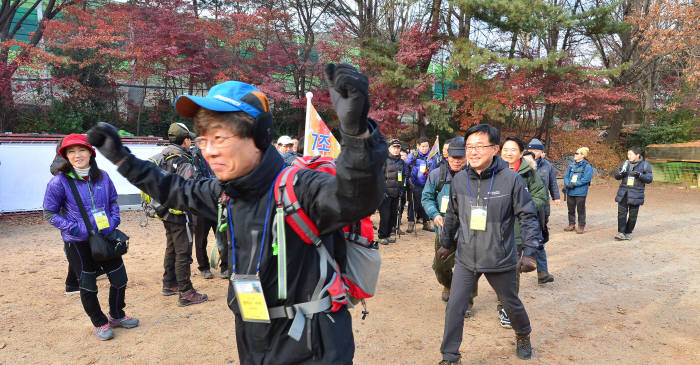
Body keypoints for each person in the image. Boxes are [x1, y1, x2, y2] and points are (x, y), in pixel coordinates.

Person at [87, 62, 386, 364]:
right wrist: (122, 158)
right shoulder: (225, 193)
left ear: (260, 136)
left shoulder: (301, 189)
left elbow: (356, 195)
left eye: (220, 138)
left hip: (312, 346)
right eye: (203, 140)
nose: (209, 150)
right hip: (253, 335)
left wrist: (357, 134)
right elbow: (173, 188)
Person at [437, 124, 540, 363]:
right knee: (454, 307)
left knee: (510, 303)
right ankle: (450, 356)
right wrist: (446, 243)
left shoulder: (511, 180)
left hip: (500, 257)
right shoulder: (460, 179)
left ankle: (523, 334)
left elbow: (528, 215)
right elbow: (452, 214)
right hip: (466, 258)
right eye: (469, 147)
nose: (472, 152)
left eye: (479, 147)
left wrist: (530, 251)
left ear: (495, 149)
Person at [43, 134, 139, 341]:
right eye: (71, 152)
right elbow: (50, 213)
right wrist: (75, 229)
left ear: (90, 153)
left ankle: (116, 314)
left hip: (105, 235)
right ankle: (99, 321)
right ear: (65, 156)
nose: (77, 155)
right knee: (87, 284)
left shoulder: (103, 176)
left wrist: (113, 221)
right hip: (77, 242)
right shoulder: (59, 182)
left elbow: (113, 201)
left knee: (120, 278)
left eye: (81, 150)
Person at [422, 137, 478, 314]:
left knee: (469, 267)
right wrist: (435, 214)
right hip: (444, 230)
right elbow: (427, 197)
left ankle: (466, 301)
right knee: (440, 266)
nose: (457, 160)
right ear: (447, 156)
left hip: (469, 232)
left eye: (461, 157)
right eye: (453, 157)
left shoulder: (476, 176)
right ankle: (449, 285)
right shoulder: (436, 175)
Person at [499, 136, 547, 329]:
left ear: (521, 153)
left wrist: (520, 207)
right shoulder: (495, 171)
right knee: (496, 268)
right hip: (495, 230)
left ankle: (506, 307)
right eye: (505, 149)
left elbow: (541, 198)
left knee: (511, 270)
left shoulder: (529, 174)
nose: (508, 153)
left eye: (513, 149)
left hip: (518, 230)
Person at [158, 123, 208, 306]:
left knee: (171, 247)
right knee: (183, 252)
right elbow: (189, 187)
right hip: (180, 213)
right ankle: (186, 292)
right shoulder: (183, 159)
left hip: (164, 211)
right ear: (186, 140)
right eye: (190, 139)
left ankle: (169, 283)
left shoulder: (164, 156)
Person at [527, 138, 560, 284]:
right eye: (531, 149)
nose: (533, 152)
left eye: (536, 150)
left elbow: (553, 182)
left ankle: (542, 273)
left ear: (542, 152)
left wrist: (556, 197)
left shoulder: (548, 166)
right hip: (524, 207)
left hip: (542, 206)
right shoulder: (523, 164)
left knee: (540, 238)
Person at [190, 143, 219, 279]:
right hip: (201, 204)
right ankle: (204, 267)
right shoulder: (194, 155)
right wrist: (215, 182)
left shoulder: (219, 153)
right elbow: (196, 179)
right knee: (201, 239)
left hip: (218, 203)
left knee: (223, 237)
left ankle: (225, 266)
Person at [614, 146, 653, 240]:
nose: (629, 156)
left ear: (637, 155)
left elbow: (649, 179)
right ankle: (621, 232)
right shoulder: (625, 163)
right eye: (628, 154)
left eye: (631, 154)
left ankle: (628, 232)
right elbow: (616, 176)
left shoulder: (645, 165)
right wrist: (620, 174)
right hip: (624, 193)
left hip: (636, 194)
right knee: (621, 213)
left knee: (633, 215)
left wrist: (640, 175)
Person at [378, 139, 407, 245]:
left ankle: (389, 233)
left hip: (397, 193)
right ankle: (382, 235)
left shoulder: (402, 162)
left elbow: (404, 176)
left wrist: (402, 189)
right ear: (389, 148)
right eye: (394, 147)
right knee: (385, 215)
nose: (396, 150)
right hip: (385, 194)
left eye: (398, 148)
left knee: (393, 215)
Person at [405, 136, 437, 232]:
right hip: (415, 184)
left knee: (426, 204)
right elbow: (405, 166)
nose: (425, 148)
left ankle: (426, 223)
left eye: (426, 146)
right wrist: (408, 179)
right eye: (423, 146)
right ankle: (411, 223)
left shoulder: (432, 156)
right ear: (418, 146)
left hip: (428, 184)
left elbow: (436, 169)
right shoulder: (413, 155)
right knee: (413, 204)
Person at [563, 147, 593, 234]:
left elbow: (586, 179)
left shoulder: (587, 167)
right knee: (570, 209)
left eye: (577, 153)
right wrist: (567, 183)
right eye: (575, 153)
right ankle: (571, 224)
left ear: (583, 155)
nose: (575, 155)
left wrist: (574, 184)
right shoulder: (571, 165)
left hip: (580, 192)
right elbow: (566, 176)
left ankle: (581, 226)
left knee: (581, 209)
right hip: (570, 191)